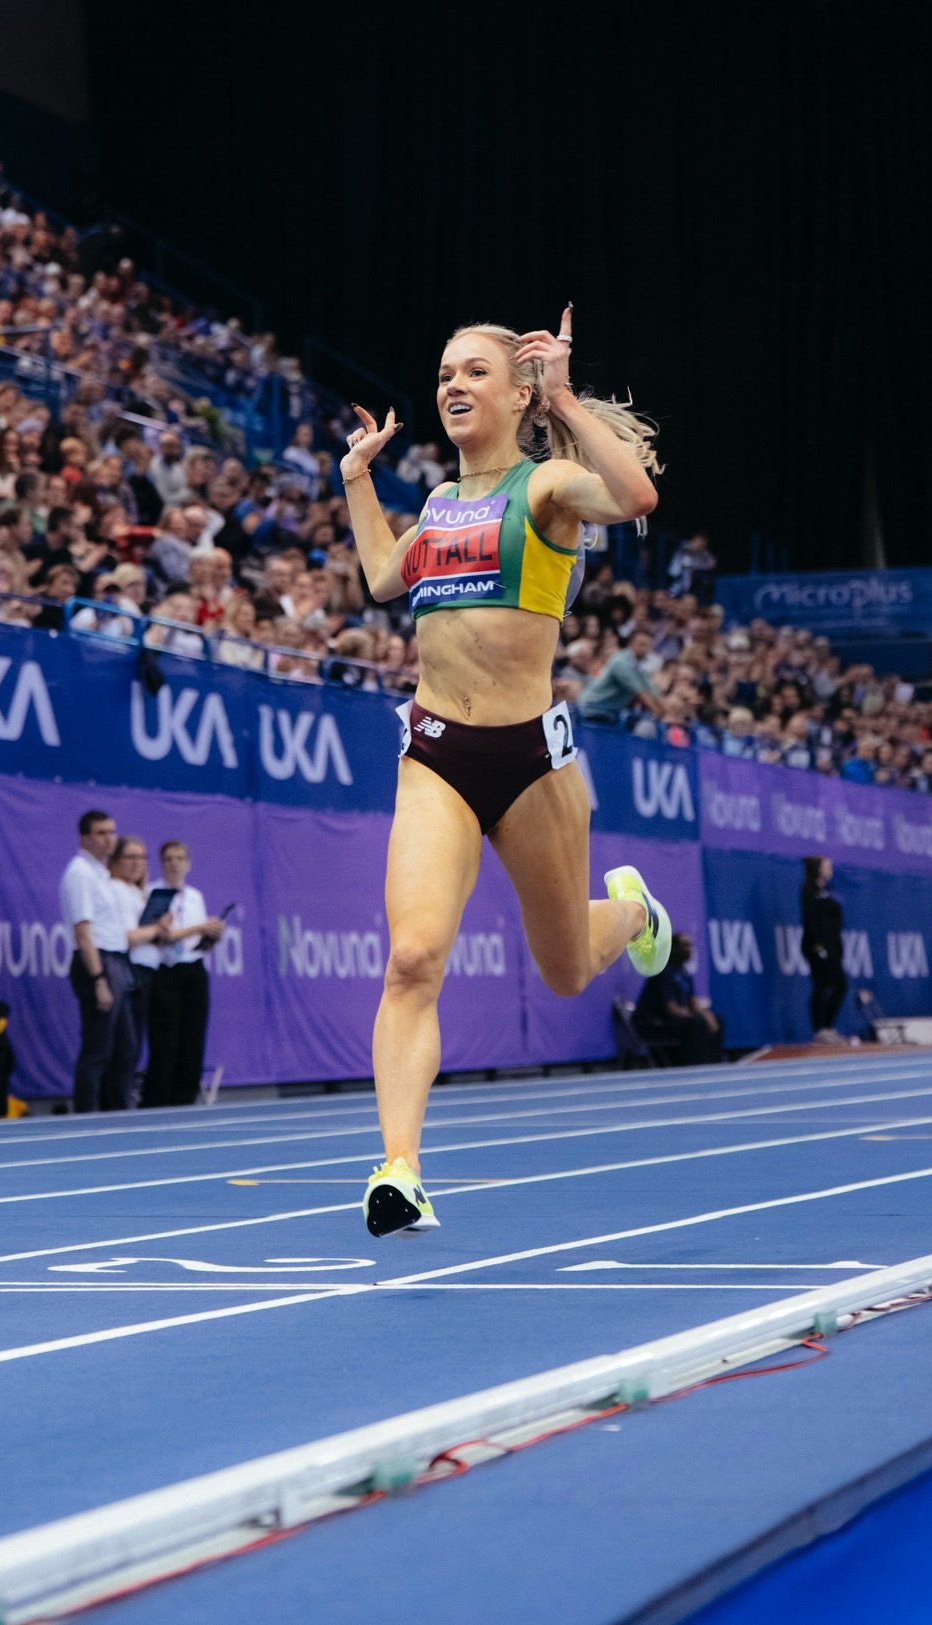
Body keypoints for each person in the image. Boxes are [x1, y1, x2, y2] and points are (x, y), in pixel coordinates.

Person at [341, 305, 669, 1237]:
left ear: (518, 392)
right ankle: (399, 1168)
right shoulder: (439, 508)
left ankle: (635, 909)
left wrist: (567, 394)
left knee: (566, 970)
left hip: (531, 762)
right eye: (444, 370)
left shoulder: (549, 486)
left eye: (474, 371)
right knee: (411, 958)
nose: (451, 383)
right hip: (437, 754)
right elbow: (380, 579)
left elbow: (638, 499)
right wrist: (360, 482)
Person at [58, 810, 140, 1111]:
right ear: (85, 838)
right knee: (98, 1050)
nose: (109, 839)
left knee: (125, 1048)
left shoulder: (102, 875)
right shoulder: (80, 873)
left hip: (117, 961)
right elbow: (83, 932)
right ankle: (87, 1119)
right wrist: (98, 979)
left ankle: (116, 1115)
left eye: (112, 832)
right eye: (101, 833)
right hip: (98, 963)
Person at [143, 840, 226, 1108]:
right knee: (166, 1038)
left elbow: (195, 941)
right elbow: (161, 936)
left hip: (193, 967)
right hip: (165, 970)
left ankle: (185, 1097)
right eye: (168, 858)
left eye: (179, 858)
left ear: (188, 864)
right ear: (161, 863)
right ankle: (159, 1098)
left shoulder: (195, 896)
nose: (174, 863)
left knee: (193, 1035)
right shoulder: (152, 893)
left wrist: (210, 935)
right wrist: (200, 927)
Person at [107, 836, 170, 1094]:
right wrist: (156, 929)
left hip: (148, 971)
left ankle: (124, 1096)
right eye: (130, 857)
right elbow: (126, 936)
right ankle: (116, 1100)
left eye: (141, 858)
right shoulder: (115, 889)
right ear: (117, 860)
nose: (137, 863)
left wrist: (162, 931)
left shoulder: (139, 893)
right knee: (124, 1043)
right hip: (130, 972)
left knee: (134, 1043)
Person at [633, 933, 723, 1065]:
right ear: (673, 948)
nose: (689, 950)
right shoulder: (663, 972)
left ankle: (714, 1063)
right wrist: (700, 1017)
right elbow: (672, 1009)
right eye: (685, 946)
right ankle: (693, 1064)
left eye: (690, 946)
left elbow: (693, 1004)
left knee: (718, 1020)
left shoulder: (684, 973)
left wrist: (707, 1015)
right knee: (697, 1023)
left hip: (674, 1020)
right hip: (653, 1023)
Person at [800, 856, 848, 1041]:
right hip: (818, 948)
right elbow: (810, 926)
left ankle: (828, 1026)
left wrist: (836, 949)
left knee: (840, 985)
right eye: (827, 866)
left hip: (833, 947)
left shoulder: (828, 891)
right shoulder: (808, 892)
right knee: (821, 985)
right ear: (817, 869)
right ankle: (820, 1029)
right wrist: (821, 951)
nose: (830, 869)